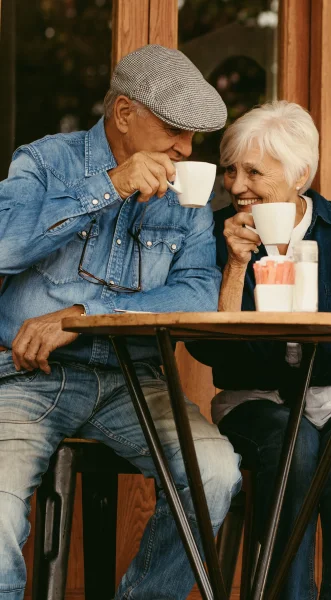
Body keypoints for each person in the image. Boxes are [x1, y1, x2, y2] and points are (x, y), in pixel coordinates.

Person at [0, 44, 241, 600]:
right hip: (28, 378)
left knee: (216, 474)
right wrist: (109, 184)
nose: (186, 148)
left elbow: (200, 291)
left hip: (136, 382)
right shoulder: (46, 161)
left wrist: (86, 317)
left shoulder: (188, 194)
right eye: (175, 129)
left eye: (193, 136)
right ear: (125, 114)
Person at [188, 101, 331, 599]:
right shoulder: (216, 235)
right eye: (230, 170)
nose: (236, 185)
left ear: (300, 174)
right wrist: (234, 268)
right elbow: (206, 347)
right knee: (294, 451)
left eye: (254, 171)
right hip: (259, 399)